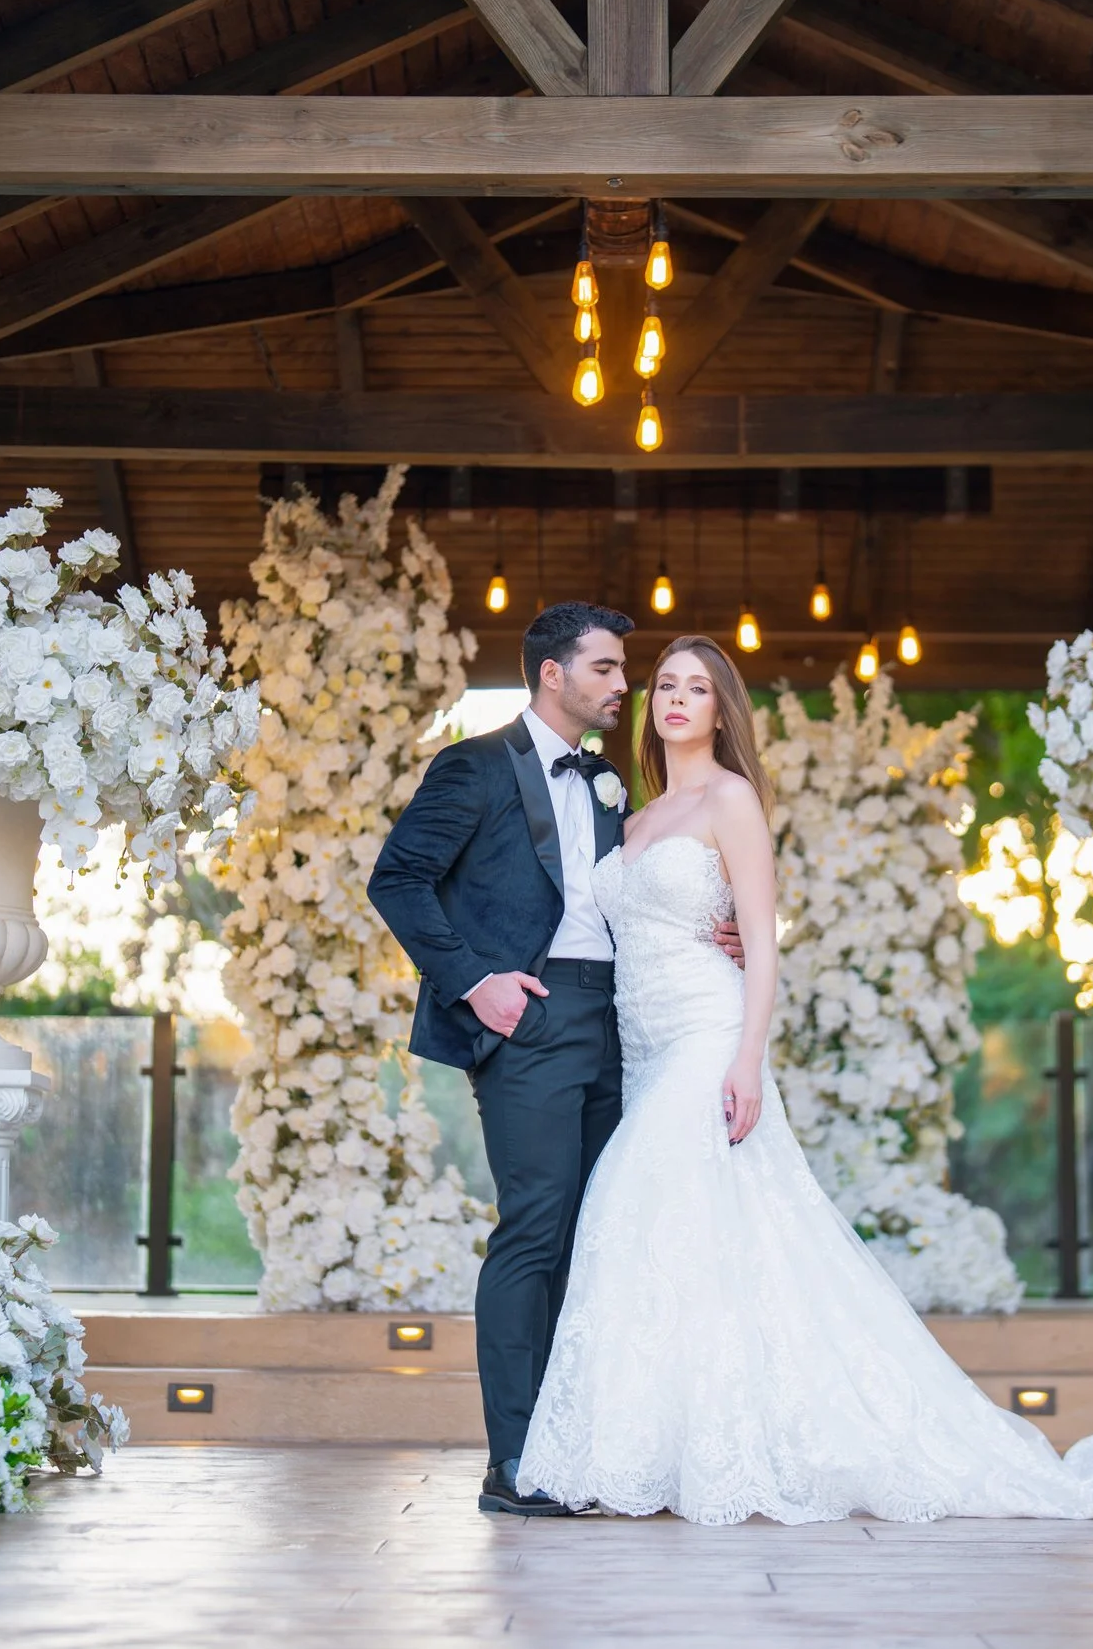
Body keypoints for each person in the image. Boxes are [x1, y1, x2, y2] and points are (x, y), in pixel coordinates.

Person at [511, 635, 1093, 1525]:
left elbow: (761, 940)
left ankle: (692, 1452)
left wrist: (747, 1058)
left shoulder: (732, 801)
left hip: (707, 1037)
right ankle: (678, 1447)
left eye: (698, 688)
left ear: (724, 709)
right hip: (639, 1051)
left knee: (628, 1203)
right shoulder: (633, 813)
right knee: (702, 1239)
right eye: (666, 687)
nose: (677, 700)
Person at [367, 603, 742, 1515]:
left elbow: (639, 893)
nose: (627, 687)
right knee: (534, 1230)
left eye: (626, 672)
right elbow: (397, 878)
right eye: (609, 669)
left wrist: (709, 934)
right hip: (528, 1016)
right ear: (552, 674)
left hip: (626, 1020)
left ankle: (579, 1448)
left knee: (599, 1233)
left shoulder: (614, 784)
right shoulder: (474, 764)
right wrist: (474, 982)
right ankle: (515, 1463)